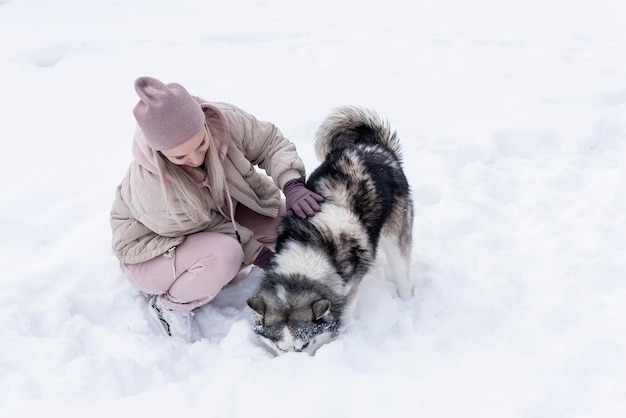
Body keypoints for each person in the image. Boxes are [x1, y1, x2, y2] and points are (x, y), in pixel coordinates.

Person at [110, 76, 323, 342]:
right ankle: (172, 306)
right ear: (160, 153)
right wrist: (261, 255)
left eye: (201, 144)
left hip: (218, 214)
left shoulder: (222, 121)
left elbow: (269, 142)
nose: (197, 158)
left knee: (291, 225)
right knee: (226, 254)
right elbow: (212, 226)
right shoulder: (153, 187)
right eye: (180, 157)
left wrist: (292, 183)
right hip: (152, 251)